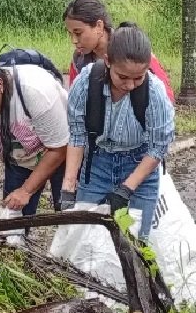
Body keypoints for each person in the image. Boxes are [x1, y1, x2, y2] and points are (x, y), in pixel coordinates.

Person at [61, 24, 174, 238]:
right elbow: (77, 135)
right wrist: (68, 186)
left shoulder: (155, 92)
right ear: (108, 62)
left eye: (138, 77)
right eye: (123, 77)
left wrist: (127, 188)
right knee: (84, 239)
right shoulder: (86, 82)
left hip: (139, 163)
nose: (131, 85)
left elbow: (158, 148)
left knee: (136, 242)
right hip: (97, 164)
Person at [0, 59, 69, 226]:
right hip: (20, 159)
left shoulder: (35, 91)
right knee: (12, 223)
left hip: (61, 153)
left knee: (67, 214)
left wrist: (25, 191)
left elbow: (59, 149)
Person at [63, 0, 175, 99]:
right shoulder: (78, 61)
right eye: (70, 34)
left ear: (99, 26)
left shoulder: (131, 47)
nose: (74, 41)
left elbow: (166, 98)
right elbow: (75, 98)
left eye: (78, 33)